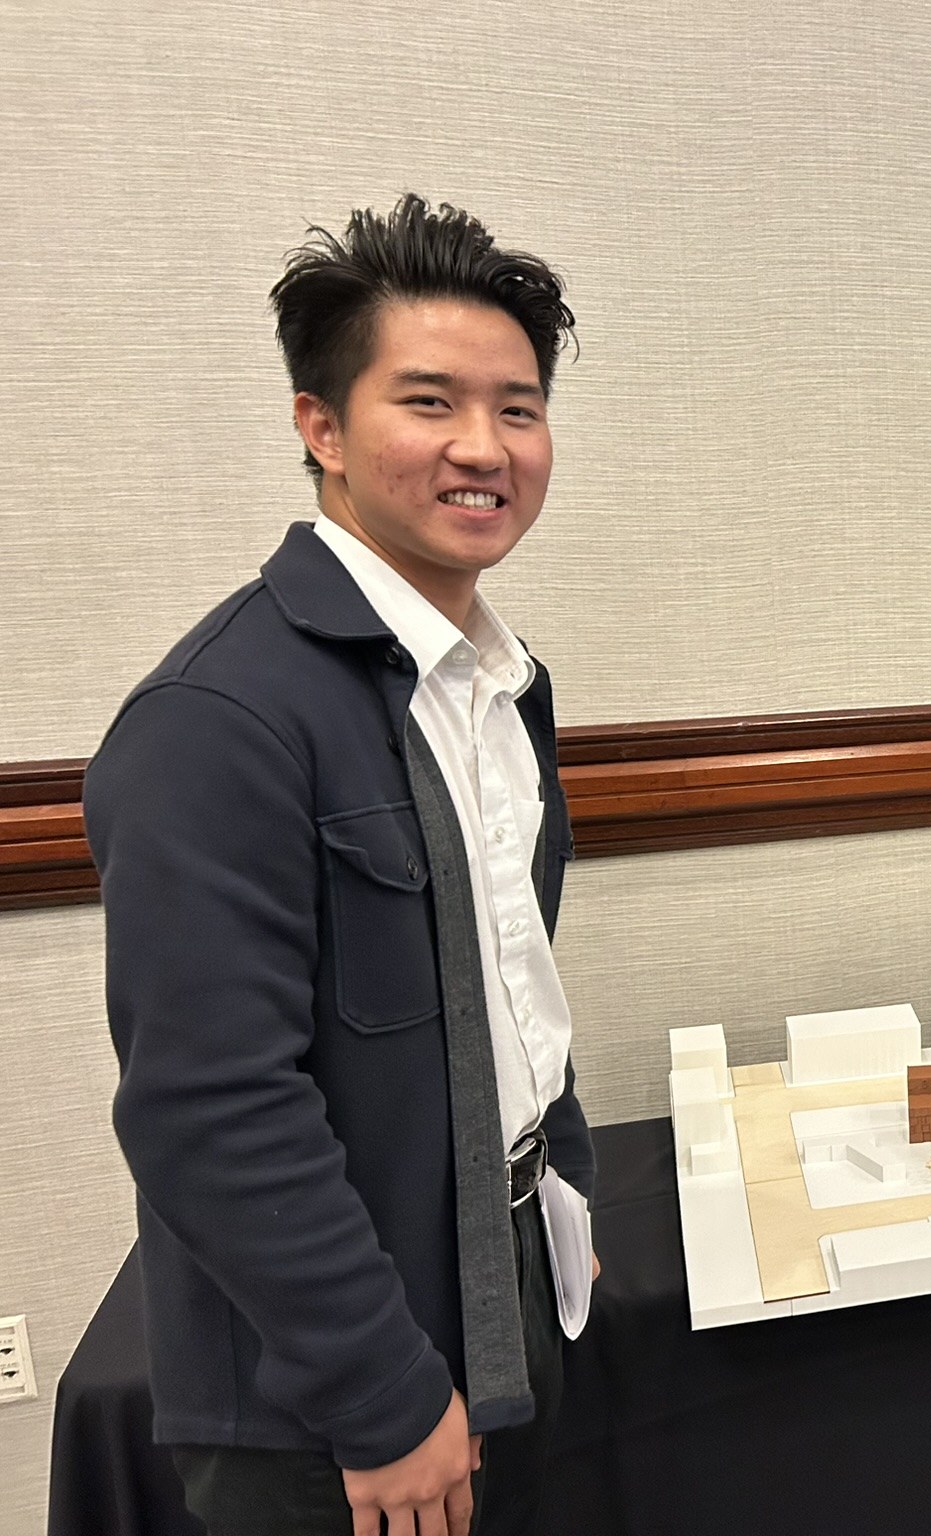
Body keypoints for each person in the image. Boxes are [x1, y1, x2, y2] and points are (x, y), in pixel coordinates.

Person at [85, 194, 596, 1536]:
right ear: (321, 427)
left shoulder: (494, 683)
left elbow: (513, 985)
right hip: (331, 1386)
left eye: (518, 409)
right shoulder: (218, 717)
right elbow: (209, 1107)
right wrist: (378, 1392)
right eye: (429, 402)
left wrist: (561, 1202)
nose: (483, 446)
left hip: (504, 1285)